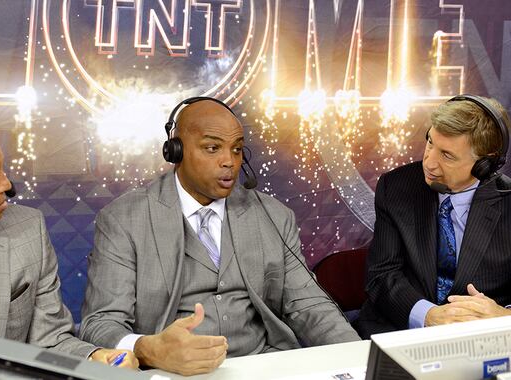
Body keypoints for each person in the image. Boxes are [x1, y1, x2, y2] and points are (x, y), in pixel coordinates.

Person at [79, 97, 360, 376]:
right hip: (168, 372)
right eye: (212, 148)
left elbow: (309, 305)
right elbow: (101, 322)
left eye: (237, 150)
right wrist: (149, 349)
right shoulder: (123, 219)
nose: (229, 162)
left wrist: (361, 362)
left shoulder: (274, 215)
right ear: (176, 151)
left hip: (264, 366)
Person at [0, 114, 138, 378]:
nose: (6, 185)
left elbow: (50, 340)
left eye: (3, 170)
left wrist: (96, 357)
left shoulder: (28, 229)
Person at [356, 95, 511, 339]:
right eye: (430, 142)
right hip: (399, 331)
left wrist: (503, 317)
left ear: (485, 163)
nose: (429, 163)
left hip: (483, 339)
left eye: (447, 155)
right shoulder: (395, 187)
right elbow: (382, 275)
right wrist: (428, 316)